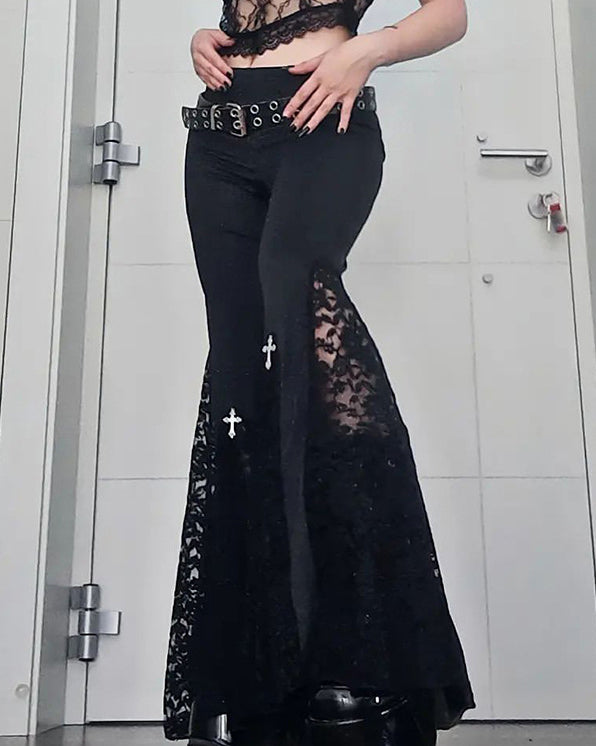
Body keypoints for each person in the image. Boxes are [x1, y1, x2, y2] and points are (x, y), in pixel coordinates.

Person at [162, 2, 475, 745]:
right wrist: (208, 40)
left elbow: (451, 14)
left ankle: (368, 663)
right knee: (242, 373)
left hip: (321, 121)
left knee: (310, 332)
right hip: (216, 141)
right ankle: (252, 674)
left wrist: (368, 51)